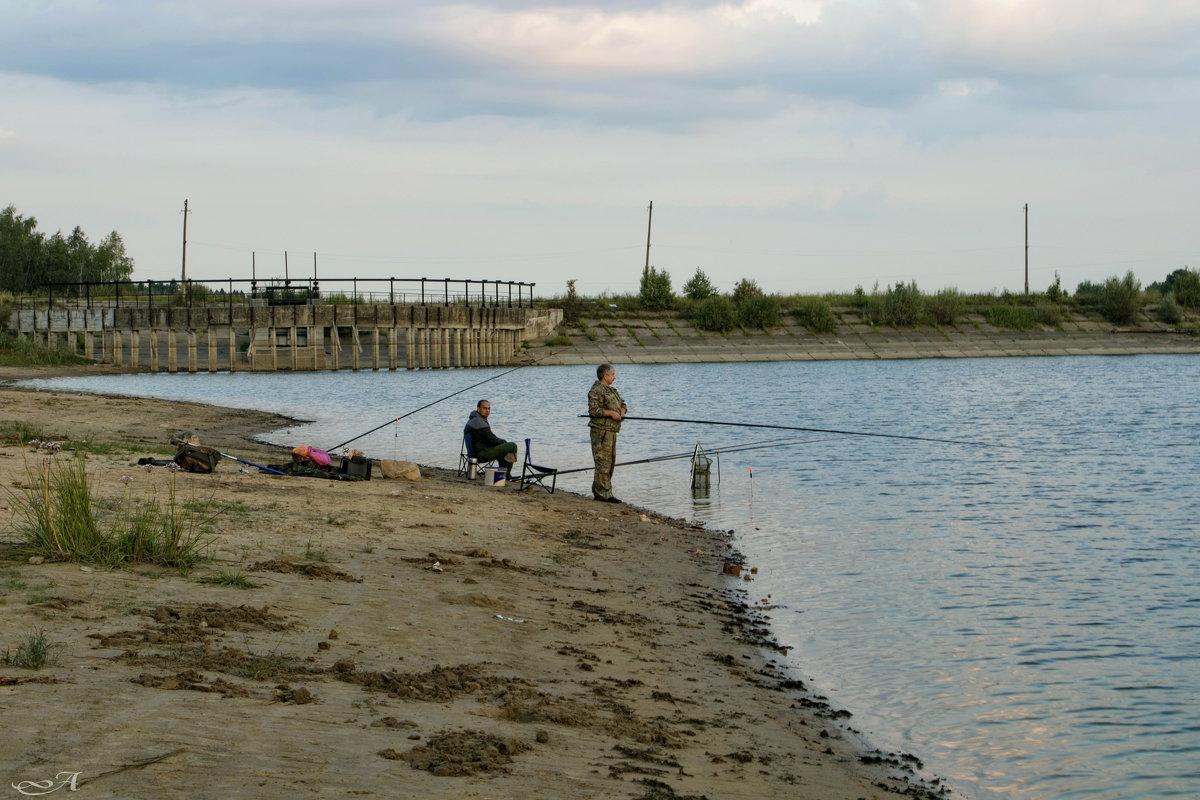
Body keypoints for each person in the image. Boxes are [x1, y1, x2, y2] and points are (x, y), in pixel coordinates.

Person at [587, 363, 626, 503]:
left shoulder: (612, 390)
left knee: (610, 462)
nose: (614, 377)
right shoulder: (596, 390)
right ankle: (604, 494)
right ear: (605, 375)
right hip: (601, 432)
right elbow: (593, 411)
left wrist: (621, 412)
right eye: (612, 374)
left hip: (612, 431)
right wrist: (610, 413)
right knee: (603, 462)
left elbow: (623, 404)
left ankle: (600, 490)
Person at [464, 399, 518, 480]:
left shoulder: (474, 419)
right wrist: (504, 443)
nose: (487, 411)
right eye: (484, 408)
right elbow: (492, 439)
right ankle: (506, 475)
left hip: (473, 453)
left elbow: (488, 439)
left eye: (489, 408)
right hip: (480, 454)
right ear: (478, 408)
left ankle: (503, 474)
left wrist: (501, 444)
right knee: (512, 446)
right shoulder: (479, 421)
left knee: (503, 447)